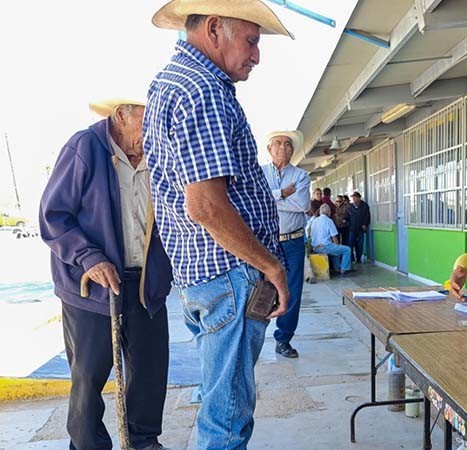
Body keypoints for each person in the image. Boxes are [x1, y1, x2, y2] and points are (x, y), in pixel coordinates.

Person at [143, 1, 293, 448]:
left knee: (219, 401)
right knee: (227, 419)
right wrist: (271, 266)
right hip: (230, 275)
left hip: (205, 274)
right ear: (214, 29)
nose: (256, 55)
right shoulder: (202, 89)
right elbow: (206, 206)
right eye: (251, 41)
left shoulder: (172, 82)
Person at [40, 98, 173, 450]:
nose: (158, 131)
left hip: (146, 283)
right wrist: (89, 258)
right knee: (88, 379)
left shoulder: (161, 156)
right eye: (150, 121)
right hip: (92, 288)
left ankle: (144, 442)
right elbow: (53, 217)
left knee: (149, 373)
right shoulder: (85, 147)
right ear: (121, 116)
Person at [262, 130, 310, 359]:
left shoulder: (300, 176)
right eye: (278, 143)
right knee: (258, 289)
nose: (283, 147)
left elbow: (301, 204)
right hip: (264, 241)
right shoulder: (259, 173)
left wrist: (271, 199)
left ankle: (283, 339)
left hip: (293, 241)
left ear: (293, 150)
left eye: (288, 144)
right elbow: (255, 199)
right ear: (269, 149)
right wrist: (282, 193)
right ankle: (254, 337)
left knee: (292, 291)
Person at [311, 204, 353, 274]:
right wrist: (337, 245)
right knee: (347, 249)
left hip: (315, 247)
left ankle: (337, 268)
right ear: (329, 212)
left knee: (334, 249)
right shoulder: (329, 221)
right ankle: (344, 269)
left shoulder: (314, 221)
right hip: (325, 247)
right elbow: (334, 238)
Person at [348, 191, 371, 263]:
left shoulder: (364, 206)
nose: (353, 199)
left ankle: (358, 258)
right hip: (352, 228)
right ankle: (351, 258)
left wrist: (365, 224)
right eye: (353, 197)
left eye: (355, 197)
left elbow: (367, 216)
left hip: (361, 228)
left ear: (359, 198)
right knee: (351, 243)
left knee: (360, 244)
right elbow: (348, 216)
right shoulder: (350, 206)